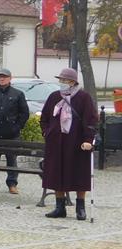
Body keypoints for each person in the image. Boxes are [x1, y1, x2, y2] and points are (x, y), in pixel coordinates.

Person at [41, 67, 99, 220]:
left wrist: (88, 140)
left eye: (64, 80)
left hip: (76, 142)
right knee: (56, 174)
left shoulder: (83, 97)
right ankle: (60, 207)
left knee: (79, 174)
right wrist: (46, 132)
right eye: (60, 80)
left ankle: (81, 207)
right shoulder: (54, 97)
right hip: (56, 143)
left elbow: (90, 121)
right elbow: (45, 117)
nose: (61, 83)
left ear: (72, 82)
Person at [0, 67, 30, 195]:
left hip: (11, 134)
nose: (2, 78)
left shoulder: (18, 94)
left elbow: (24, 113)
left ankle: (12, 184)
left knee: (11, 160)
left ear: (10, 78)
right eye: (0, 76)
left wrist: (17, 126)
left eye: (4, 76)